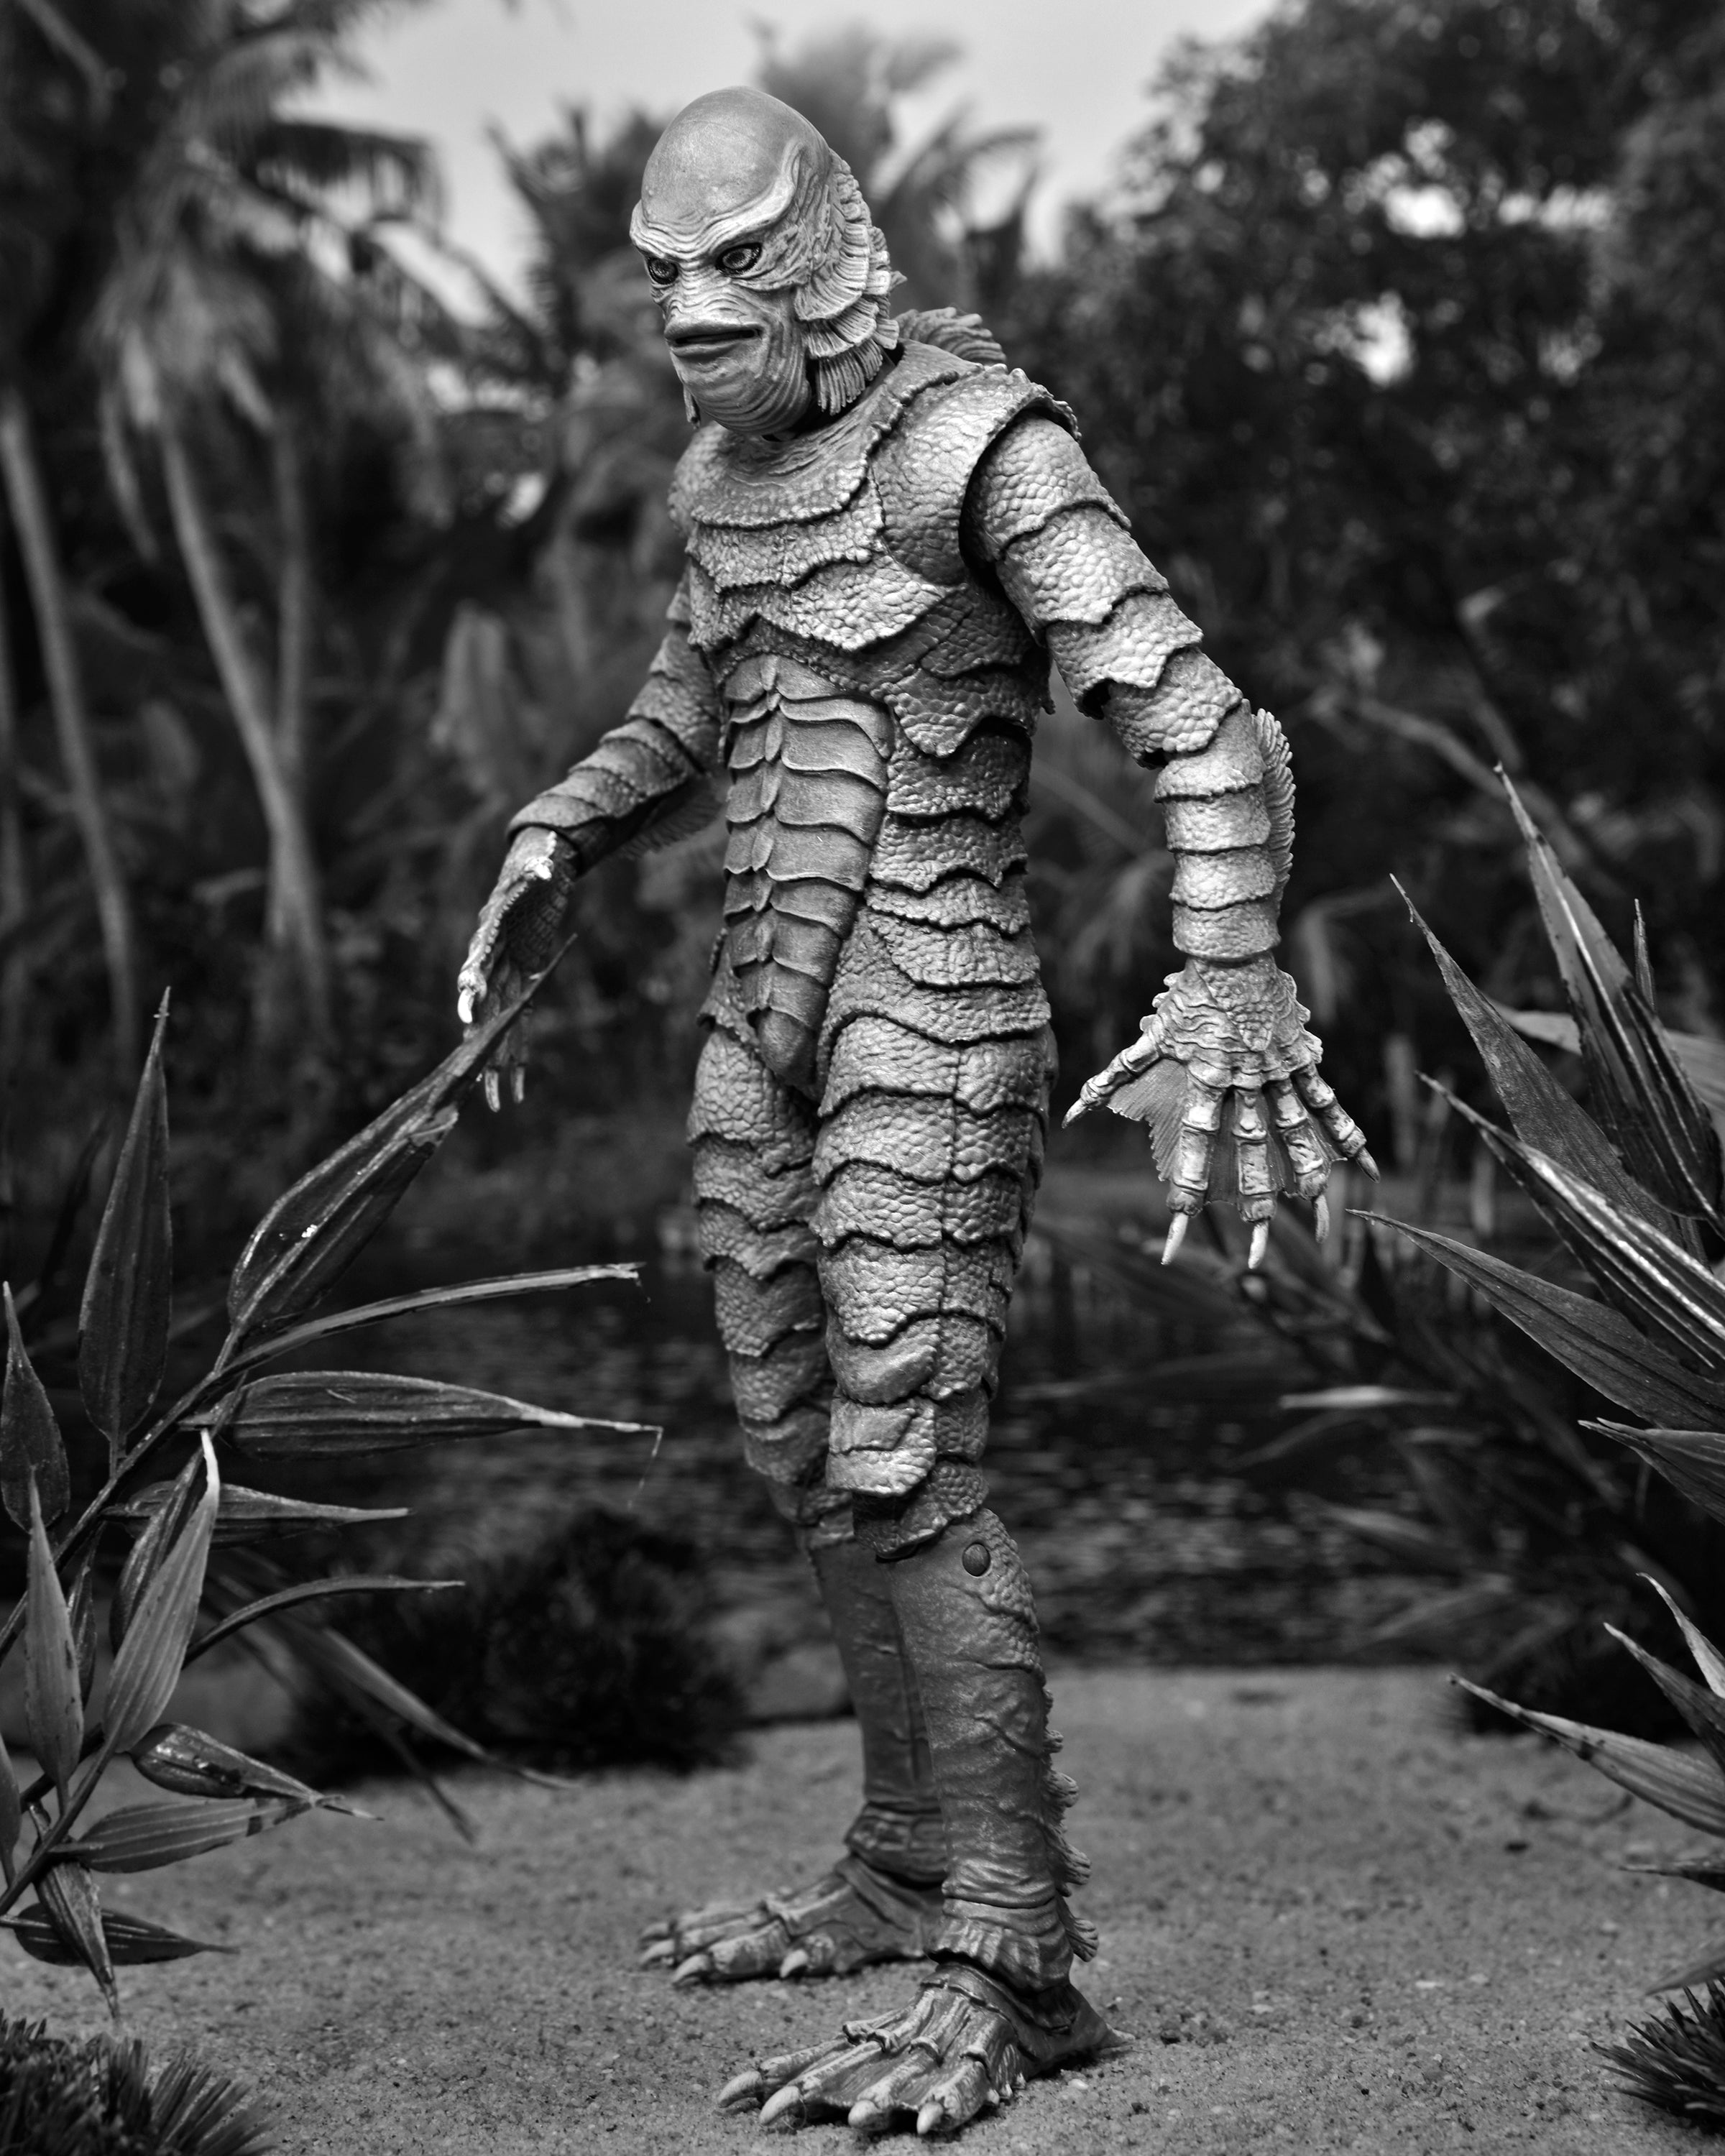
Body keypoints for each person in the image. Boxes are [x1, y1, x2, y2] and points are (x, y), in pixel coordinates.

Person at [456, 83, 1374, 2138]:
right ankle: (896, 1859)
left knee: (905, 1466)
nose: (692, 310)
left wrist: (1230, 980)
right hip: (754, 1019)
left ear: (829, 250)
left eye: (734, 260)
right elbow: (690, 710)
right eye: (664, 274)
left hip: (933, 1010)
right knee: (804, 1456)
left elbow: (1210, 736)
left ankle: (1012, 1964)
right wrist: (556, 829)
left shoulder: (982, 446)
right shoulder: (722, 479)